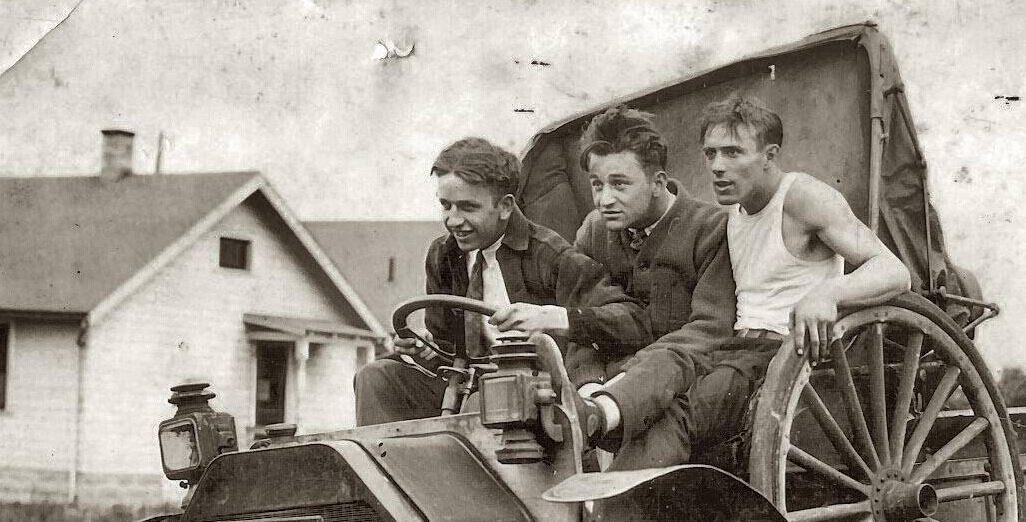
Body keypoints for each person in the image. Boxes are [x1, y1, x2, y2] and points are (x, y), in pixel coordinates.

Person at [353, 137, 649, 434]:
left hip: (535, 396)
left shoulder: (548, 254)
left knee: (481, 405)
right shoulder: (443, 255)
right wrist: (423, 348)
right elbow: (446, 347)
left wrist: (552, 317)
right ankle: (385, 476)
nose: (454, 220)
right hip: (466, 388)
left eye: (468, 207)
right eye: (446, 206)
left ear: (505, 206)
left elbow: (632, 320)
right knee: (376, 377)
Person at [682, 94, 913, 458]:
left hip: (787, 359)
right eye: (710, 153)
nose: (717, 166)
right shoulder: (734, 212)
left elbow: (895, 272)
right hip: (737, 353)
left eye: (732, 152)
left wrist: (828, 294)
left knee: (683, 420)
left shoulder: (803, 197)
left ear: (769, 156)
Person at [513, 105, 734, 468]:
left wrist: (629, 381)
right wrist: (586, 388)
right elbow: (586, 328)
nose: (604, 199)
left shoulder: (709, 229)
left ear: (658, 182)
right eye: (597, 185)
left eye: (620, 184)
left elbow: (709, 331)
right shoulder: (594, 231)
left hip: (684, 379)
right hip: (605, 391)